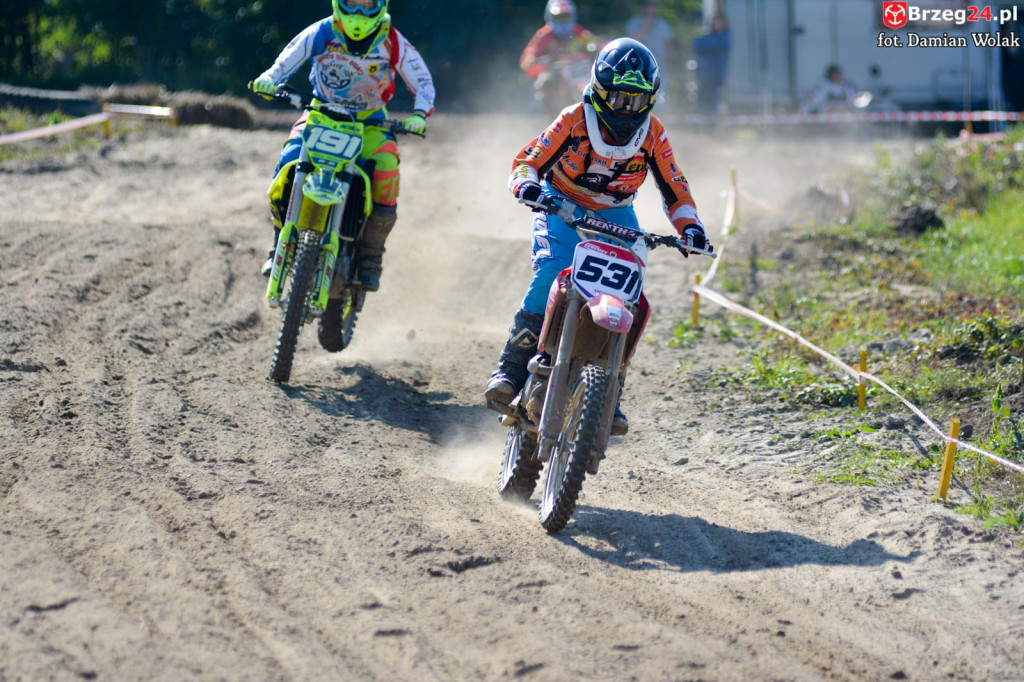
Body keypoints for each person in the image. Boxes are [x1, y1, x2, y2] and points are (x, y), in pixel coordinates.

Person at [485, 37, 710, 435]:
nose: (628, 109)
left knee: (633, 293)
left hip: (617, 212)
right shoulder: (573, 117)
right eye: (620, 98)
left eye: (637, 101)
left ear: (650, 99)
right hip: (561, 203)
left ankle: (611, 388)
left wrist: (690, 227)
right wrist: (527, 187)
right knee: (552, 269)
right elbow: (527, 161)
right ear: (601, 91)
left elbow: (675, 185)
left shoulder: (653, 133)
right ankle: (510, 367)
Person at [251, 0, 435, 292]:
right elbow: (286, 59)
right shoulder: (323, 31)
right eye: (353, 4)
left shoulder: (391, 40)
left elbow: (423, 81)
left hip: (370, 123)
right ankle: (278, 244)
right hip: (320, 114)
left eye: (366, 5)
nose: (359, 13)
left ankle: (371, 257)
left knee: (387, 170)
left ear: (380, 5)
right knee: (287, 159)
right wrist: (269, 79)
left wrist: (419, 113)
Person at [520, 0, 597, 104]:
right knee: (545, 82)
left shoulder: (577, 31)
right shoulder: (544, 35)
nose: (563, 21)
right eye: (559, 17)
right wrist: (532, 59)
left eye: (566, 17)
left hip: (579, 69)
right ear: (550, 17)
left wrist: (596, 47)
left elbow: (593, 41)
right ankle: (547, 112)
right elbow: (529, 55)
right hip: (554, 69)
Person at [625, 0, 675, 95]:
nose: (649, 10)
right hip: (639, 65)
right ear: (642, 9)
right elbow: (632, 41)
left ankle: (661, 110)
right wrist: (646, 25)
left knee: (660, 92)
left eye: (652, 7)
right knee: (640, 92)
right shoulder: (633, 23)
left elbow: (669, 45)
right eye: (646, 7)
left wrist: (669, 63)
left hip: (659, 65)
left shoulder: (663, 25)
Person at [692, 11, 731, 118]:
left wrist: (702, 39)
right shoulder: (711, 37)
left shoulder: (725, 38)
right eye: (715, 22)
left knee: (713, 105)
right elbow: (696, 45)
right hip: (704, 78)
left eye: (719, 22)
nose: (717, 24)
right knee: (702, 104)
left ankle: (711, 130)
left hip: (715, 79)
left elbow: (702, 45)